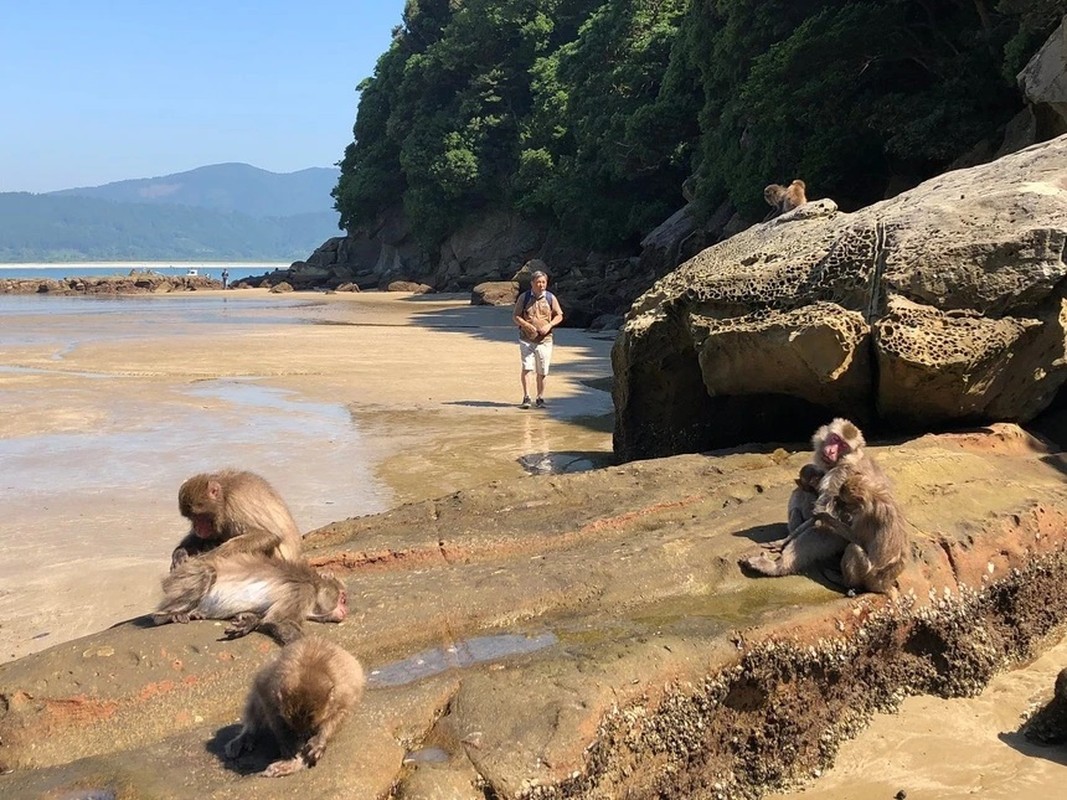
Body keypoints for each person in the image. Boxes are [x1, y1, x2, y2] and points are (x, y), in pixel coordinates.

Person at [512, 269, 563, 409]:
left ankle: (540, 398)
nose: (541, 285)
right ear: (532, 283)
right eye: (538, 282)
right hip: (526, 338)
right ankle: (527, 397)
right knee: (527, 367)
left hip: (545, 340)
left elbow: (559, 315)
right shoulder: (524, 297)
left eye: (543, 282)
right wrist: (526, 325)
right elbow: (516, 316)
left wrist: (549, 325)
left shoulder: (550, 298)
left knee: (542, 371)